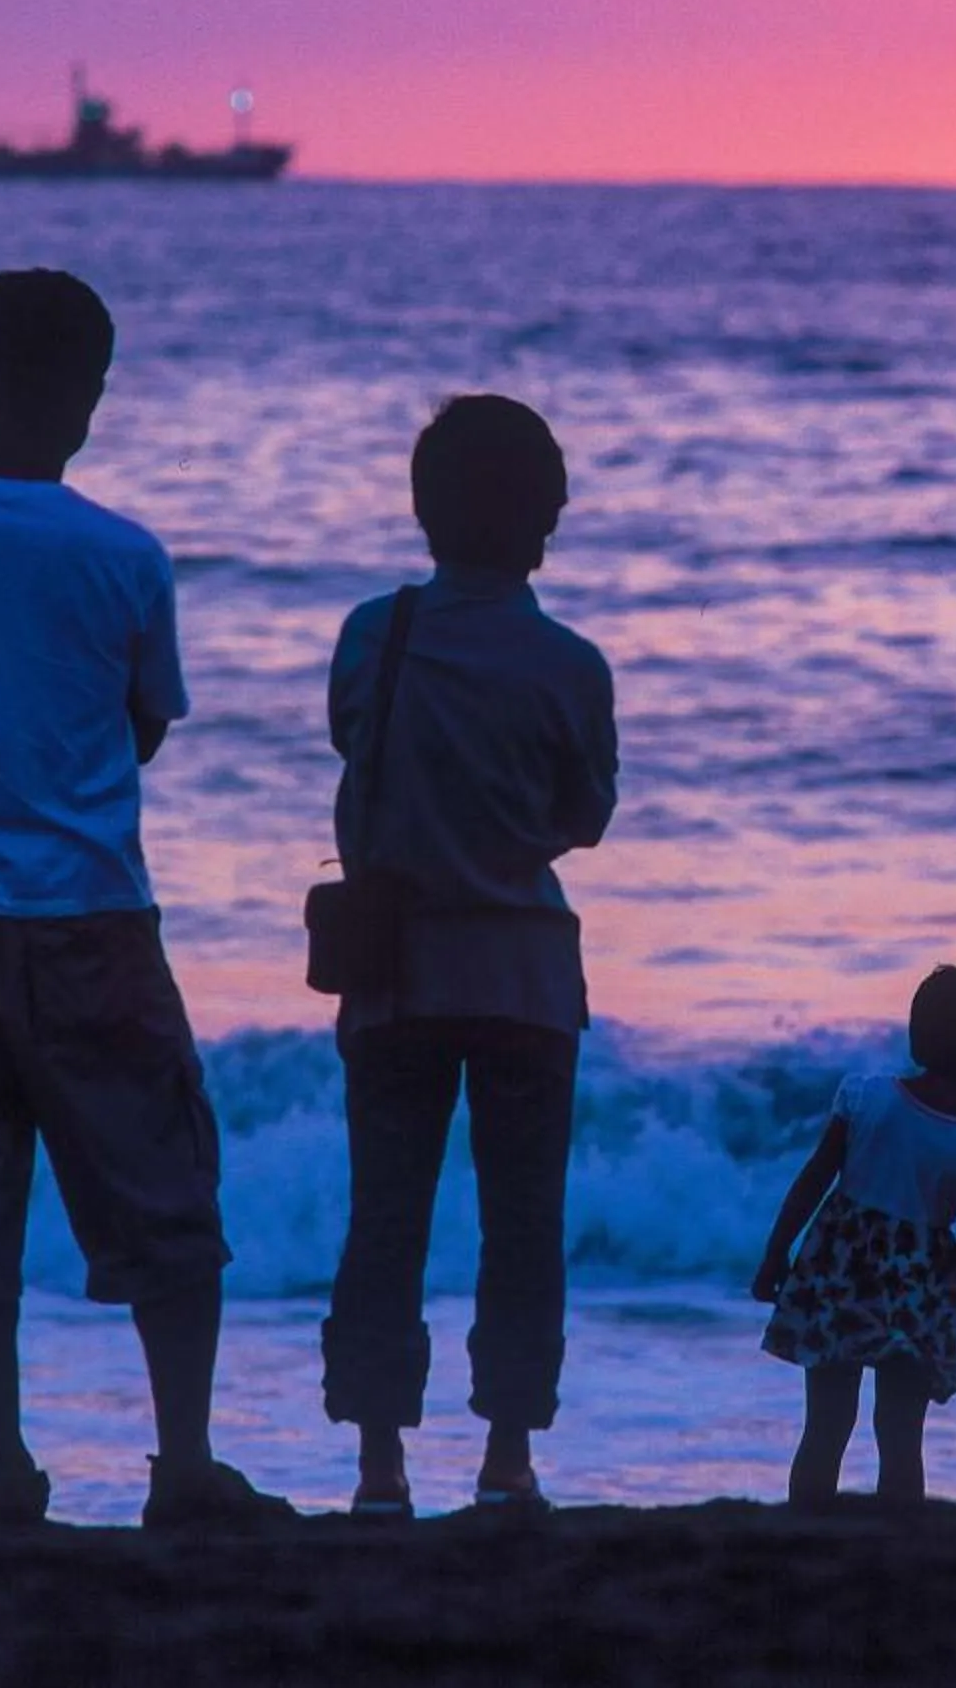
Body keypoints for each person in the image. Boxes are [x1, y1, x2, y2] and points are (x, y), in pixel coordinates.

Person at [0, 268, 284, 1531]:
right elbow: (145, 726)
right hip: (90, 908)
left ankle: (8, 1473)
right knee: (162, 1188)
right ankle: (184, 1462)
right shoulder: (124, 556)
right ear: (93, 399)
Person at [320, 394, 619, 1516]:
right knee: (524, 1225)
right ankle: (506, 1458)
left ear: (422, 510)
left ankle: (379, 1465)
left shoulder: (373, 634)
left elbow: (355, 742)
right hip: (526, 980)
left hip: (393, 973)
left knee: (385, 1217)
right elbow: (583, 815)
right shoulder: (569, 665)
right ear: (546, 520)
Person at [753, 966, 956, 1510]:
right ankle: (900, 1534)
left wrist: (774, 1254)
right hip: (918, 1290)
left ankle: (804, 1528)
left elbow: (812, 1182)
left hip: (840, 1272)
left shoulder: (866, 1098)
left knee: (825, 1425)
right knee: (901, 1435)